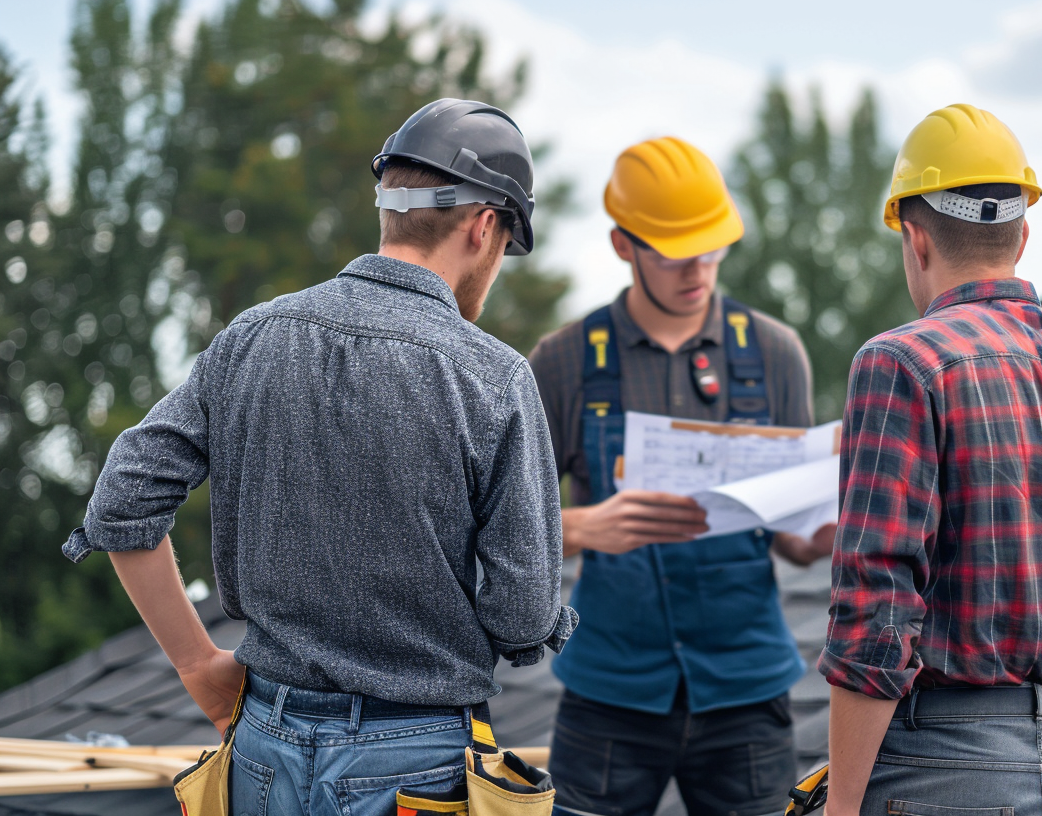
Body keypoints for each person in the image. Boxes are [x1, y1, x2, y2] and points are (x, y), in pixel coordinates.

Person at [62, 98, 575, 816]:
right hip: (414, 765)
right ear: (484, 225)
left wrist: (195, 665)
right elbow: (522, 615)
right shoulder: (492, 377)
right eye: (501, 250)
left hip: (261, 746)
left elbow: (122, 502)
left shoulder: (253, 337)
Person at [818, 104, 1042, 816]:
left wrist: (841, 808)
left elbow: (876, 619)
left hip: (942, 769)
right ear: (1022, 235)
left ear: (913, 237)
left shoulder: (902, 363)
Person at [528, 136, 834, 816]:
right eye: (673, 250)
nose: (698, 267)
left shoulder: (777, 355)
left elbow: (790, 537)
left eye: (713, 245)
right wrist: (583, 525)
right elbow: (501, 529)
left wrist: (821, 533)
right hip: (609, 698)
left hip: (747, 698)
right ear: (621, 245)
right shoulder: (564, 362)